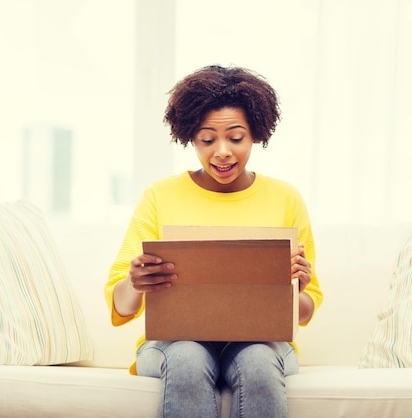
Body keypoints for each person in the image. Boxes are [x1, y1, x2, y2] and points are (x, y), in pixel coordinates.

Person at [105, 64, 323, 418]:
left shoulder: (286, 198)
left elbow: (307, 308)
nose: (222, 151)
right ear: (190, 137)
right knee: (188, 357)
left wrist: (297, 288)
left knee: (257, 360)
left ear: (256, 135)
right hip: (174, 345)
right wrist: (135, 283)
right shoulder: (160, 195)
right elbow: (122, 305)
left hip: (260, 345)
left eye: (236, 138)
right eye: (207, 139)